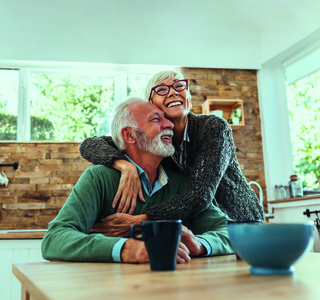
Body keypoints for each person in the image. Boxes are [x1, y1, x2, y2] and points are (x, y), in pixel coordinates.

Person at [41, 98, 234, 263]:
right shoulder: (98, 178)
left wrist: (200, 244)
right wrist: (127, 248)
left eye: (166, 119)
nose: (169, 125)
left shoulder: (182, 184)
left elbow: (230, 232)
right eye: (156, 119)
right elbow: (54, 239)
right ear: (130, 135)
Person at [79, 70, 265, 230]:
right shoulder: (154, 142)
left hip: (241, 223)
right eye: (161, 90)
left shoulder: (213, 128)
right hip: (202, 228)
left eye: (179, 87)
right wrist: (126, 166)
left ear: (189, 100)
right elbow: (89, 145)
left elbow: (200, 195)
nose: (173, 93)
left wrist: (144, 220)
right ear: (151, 105)